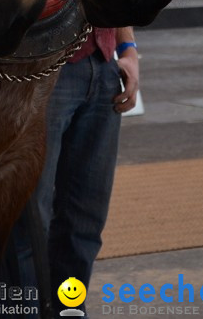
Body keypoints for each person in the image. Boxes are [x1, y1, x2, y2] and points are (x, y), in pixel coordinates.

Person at [9, 26, 140, 318]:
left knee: (85, 220)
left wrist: (128, 49)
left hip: (105, 67)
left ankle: (69, 311)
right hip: (43, 68)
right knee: (28, 226)